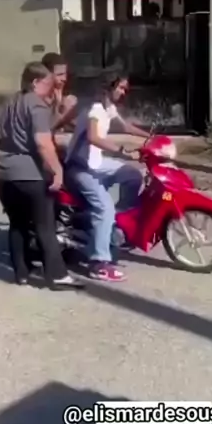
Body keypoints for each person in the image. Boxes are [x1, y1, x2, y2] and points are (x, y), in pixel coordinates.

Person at [0, 61, 84, 290]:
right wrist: (57, 170)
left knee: (18, 223)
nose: (51, 87)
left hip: (0, 171)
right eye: (48, 83)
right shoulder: (36, 104)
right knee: (45, 225)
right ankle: (57, 275)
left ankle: (22, 273)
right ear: (35, 82)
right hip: (27, 172)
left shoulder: (10, 101)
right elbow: (43, 142)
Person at [64, 75, 149, 282]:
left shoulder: (108, 107)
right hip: (80, 168)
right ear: (108, 87)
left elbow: (125, 127)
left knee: (132, 175)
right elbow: (93, 137)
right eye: (120, 87)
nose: (123, 92)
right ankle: (99, 263)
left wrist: (151, 138)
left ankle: (117, 226)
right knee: (104, 208)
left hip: (95, 163)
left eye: (125, 88)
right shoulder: (95, 108)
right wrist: (123, 151)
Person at [41, 52, 78, 132]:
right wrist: (57, 106)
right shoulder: (39, 100)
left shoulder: (69, 99)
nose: (64, 79)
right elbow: (47, 128)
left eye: (65, 74)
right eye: (59, 75)